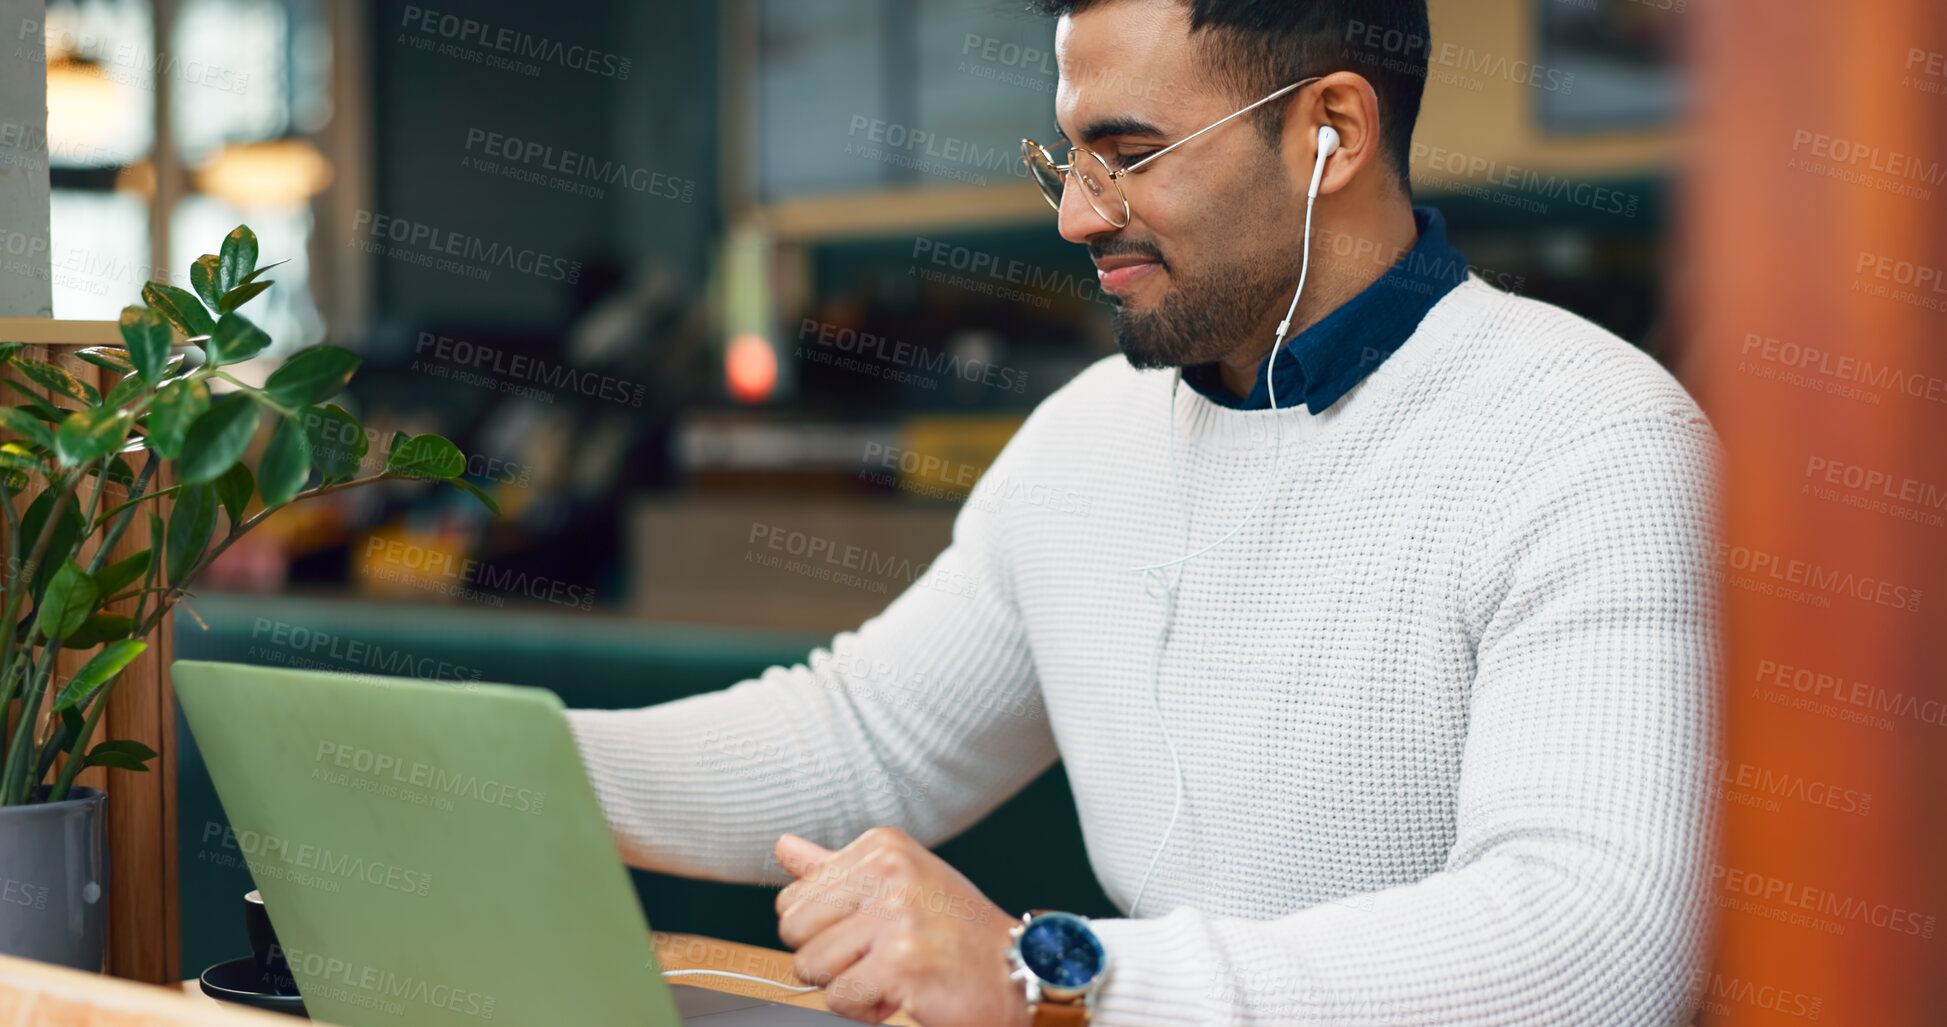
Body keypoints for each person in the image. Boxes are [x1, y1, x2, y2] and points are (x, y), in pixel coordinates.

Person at [566, 1, 1720, 1023]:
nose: (1077, 214)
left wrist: (1057, 978)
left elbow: (1599, 942)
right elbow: (868, 737)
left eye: (1130, 155)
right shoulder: (1088, 433)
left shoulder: (1596, 442)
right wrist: (483, 761)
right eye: (1068, 155)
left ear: (1334, 131)